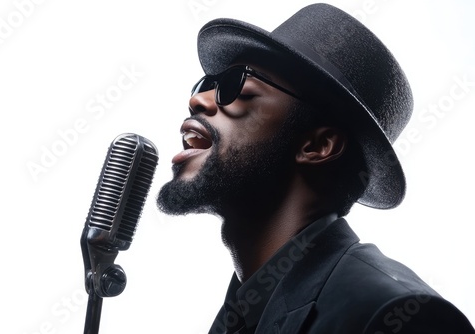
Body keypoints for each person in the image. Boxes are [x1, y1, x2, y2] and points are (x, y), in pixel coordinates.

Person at [157, 3, 475, 333]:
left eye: (236, 85)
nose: (200, 100)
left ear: (317, 146)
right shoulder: (235, 320)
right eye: (205, 84)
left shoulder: (398, 316)